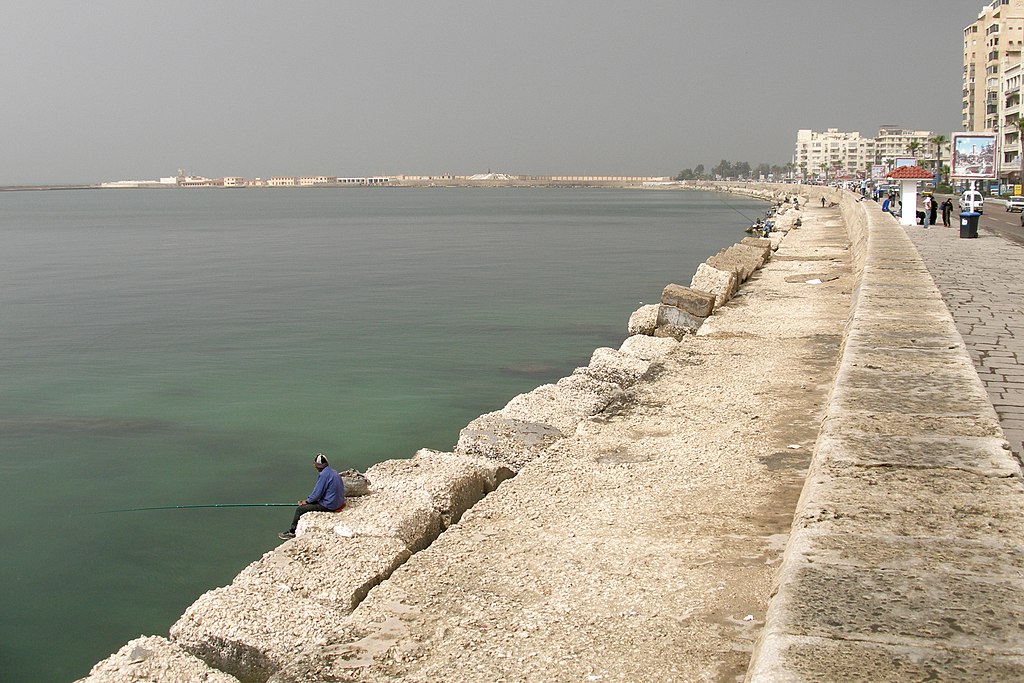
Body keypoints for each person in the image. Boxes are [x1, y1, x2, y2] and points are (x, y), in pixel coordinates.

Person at [279, 453, 345, 539]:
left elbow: (317, 494)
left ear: (318, 466)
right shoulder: (333, 472)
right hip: (339, 502)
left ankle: (292, 532)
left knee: (300, 509)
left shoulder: (323, 475)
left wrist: (306, 502)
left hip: (330, 505)